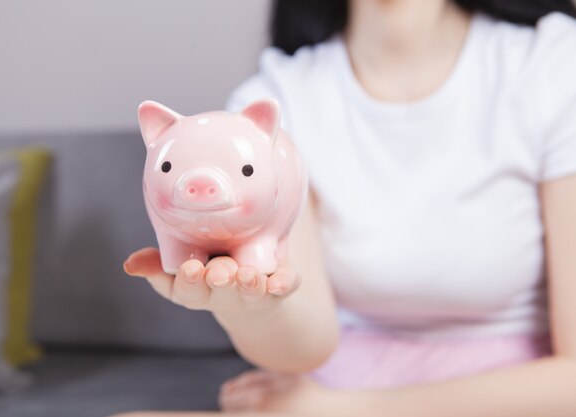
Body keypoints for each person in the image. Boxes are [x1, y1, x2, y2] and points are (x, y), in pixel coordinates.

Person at [116, 0, 576, 415]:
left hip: (505, 401)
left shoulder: (551, 64)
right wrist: (250, 307)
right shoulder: (278, 99)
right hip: (331, 389)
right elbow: (308, 344)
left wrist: (350, 410)